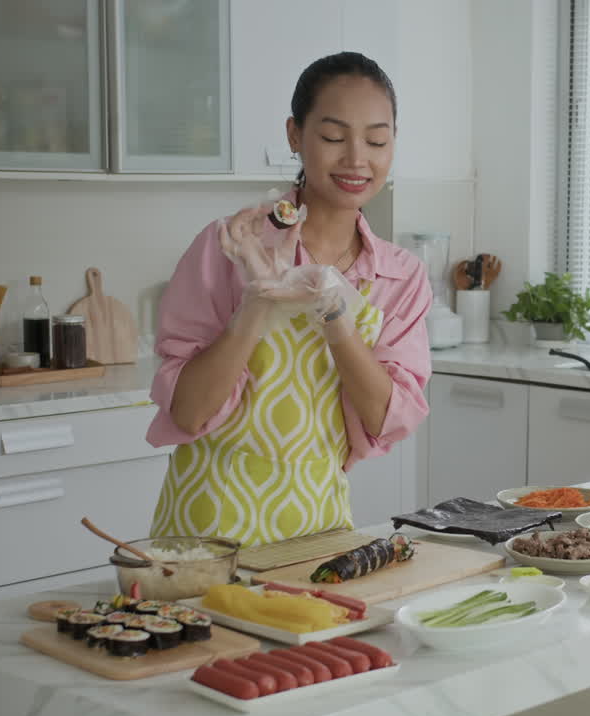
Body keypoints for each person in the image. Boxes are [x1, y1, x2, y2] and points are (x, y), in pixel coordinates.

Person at [144, 52, 431, 547]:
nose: (357, 158)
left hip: (319, 526)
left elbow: (387, 417)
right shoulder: (232, 247)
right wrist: (257, 302)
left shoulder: (398, 277)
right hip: (207, 530)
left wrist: (337, 317)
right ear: (295, 135)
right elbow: (189, 412)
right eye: (334, 137)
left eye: (377, 139)